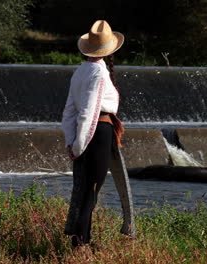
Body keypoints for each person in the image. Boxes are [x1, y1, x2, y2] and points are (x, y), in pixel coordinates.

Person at [61, 20, 125, 247]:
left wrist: (71, 141)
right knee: (92, 190)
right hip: (98, 132)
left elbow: (69, 112)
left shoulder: (80, 71)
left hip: (87, 133)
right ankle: (81, 244)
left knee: (86, 188)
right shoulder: (98, 73)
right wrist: (78, 146)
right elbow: (89, 111)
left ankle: (82, 240)